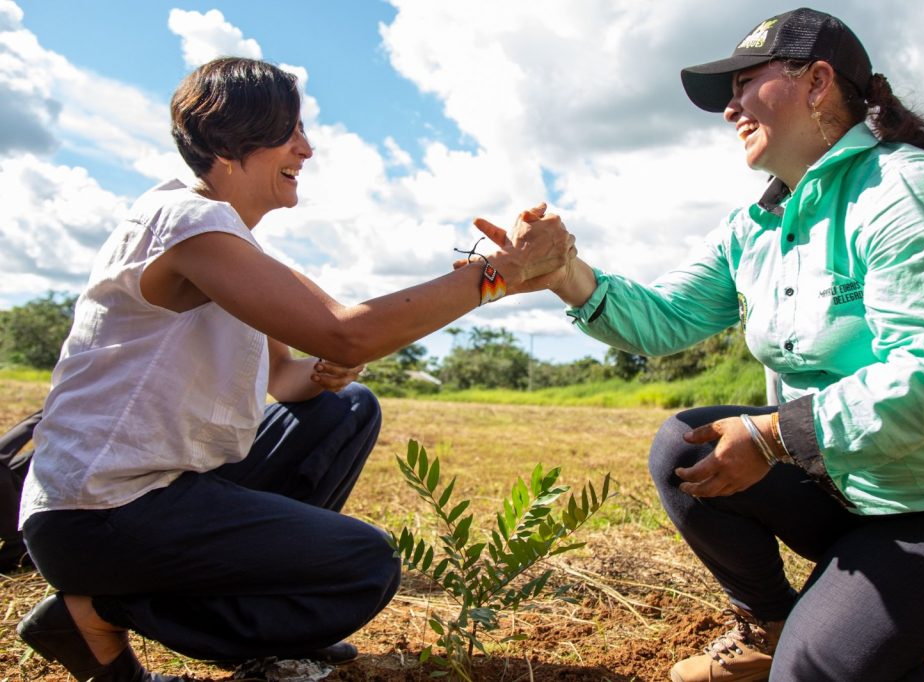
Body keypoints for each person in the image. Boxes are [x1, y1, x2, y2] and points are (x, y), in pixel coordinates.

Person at [479, 7, 924, 681]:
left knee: (815, 670)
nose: (730, 106)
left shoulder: (906, 194)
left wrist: (772, 436)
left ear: (818, 82)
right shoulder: (759, 225)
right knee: (685, 447)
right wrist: (563, 271)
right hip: (855, 492)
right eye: (727, 93)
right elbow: (665, 320)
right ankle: (772, 622)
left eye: (744, 84)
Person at [16, 57, 575, 682]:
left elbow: (288, 377)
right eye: (290, 133)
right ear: (231, 144)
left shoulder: (226, 239)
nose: (306, 149)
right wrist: (496, 274)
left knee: (346, 408)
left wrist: (334, 366)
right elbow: (344, 326)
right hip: (98, 511)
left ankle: (251, 606)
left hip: (150, 491)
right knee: (363, 566)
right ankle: (98, 605)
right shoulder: (188, 224)